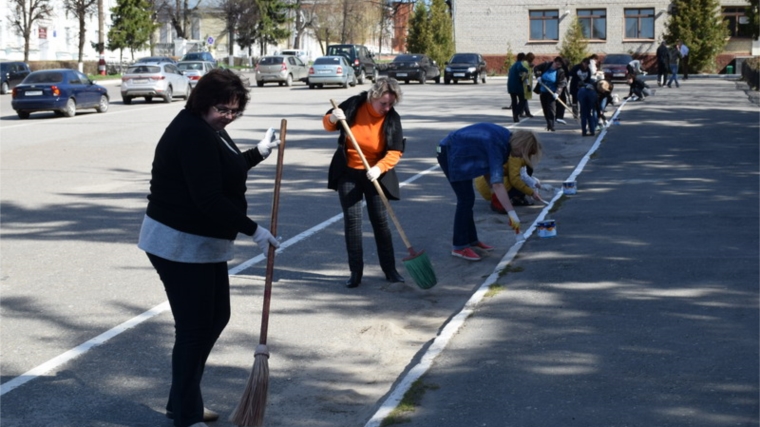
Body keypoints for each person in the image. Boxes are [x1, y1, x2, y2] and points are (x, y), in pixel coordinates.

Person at [137, 69, 281, 427]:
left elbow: (226, 168)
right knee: (195, 327)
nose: (228, 116)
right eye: (223, 109)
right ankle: (186, 414)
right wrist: (255, 230)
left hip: (202, 243)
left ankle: (180, 398)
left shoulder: (210, 129)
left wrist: (258, 153)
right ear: (203, 102)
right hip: (177, 243)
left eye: (235, 111)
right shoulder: (192, 133)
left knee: (216, 317)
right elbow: (208, 198)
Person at [323, 77, 406, 288]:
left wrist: (379, 168)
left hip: (376, 173)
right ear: (373, 97)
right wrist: (333, 118)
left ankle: (390, 270)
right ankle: (355, 272)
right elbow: (328, 124)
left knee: (380, 222)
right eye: (383, 103)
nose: (387, 108)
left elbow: (395, 151)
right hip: (348, 171)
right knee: (352, 222)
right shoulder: (354, 104)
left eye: (391, 104)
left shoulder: (392, 119)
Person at [437, 123, 540, 261]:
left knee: (468, 198)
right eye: (523, 153)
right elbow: (497, 183)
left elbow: (487, 169)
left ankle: (472, 240)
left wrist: (495, 195)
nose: (521, 157)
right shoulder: (498, 145)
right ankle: (459, 246)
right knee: (465, 199)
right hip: (449, 151)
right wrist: (511, 213)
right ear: (521, 145)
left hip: (460, 152)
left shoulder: (505, 139)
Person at [537, 57, 567, 132]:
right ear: (554, 62)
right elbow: (536, 68)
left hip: (552, 93)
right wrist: (538, 77)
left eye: (559, 65)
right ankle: (548, 124)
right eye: (557, 64)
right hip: (543, 91)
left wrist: (557, 93)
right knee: (545, 109)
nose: (558, 66)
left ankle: (551, 125)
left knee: (551, 109)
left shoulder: (560, 71)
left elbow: (561, 83)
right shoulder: (546, 65)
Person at [507, 53, 529, 122]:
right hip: (518, 86)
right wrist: (527, 85)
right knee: (523, 100)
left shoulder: (512, 65)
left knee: (514, 101)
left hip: (510, 85)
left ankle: (515, 116)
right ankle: (516, 114)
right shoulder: (521, 65)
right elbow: (524, 75)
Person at [521, 52, 536, 118]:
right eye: (532, 59)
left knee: (524, 99)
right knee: (524, 99)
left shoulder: (527, 64)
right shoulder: (525, 64)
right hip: (525, 84)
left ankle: (521, 112)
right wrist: (528, 85)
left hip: (527, 83)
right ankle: (526, 112)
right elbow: (525, 75)